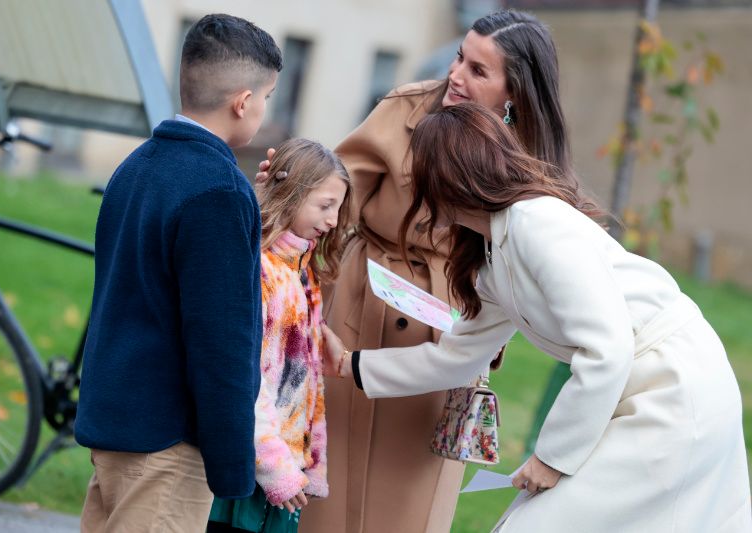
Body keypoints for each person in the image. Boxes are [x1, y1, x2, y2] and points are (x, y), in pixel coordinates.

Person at [326, 103, 752, 532]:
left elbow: (607, 348)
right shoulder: (491, 253)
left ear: (446, 177)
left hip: (674, 389)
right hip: (632, 391)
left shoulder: (536, 223)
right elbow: (457, 359)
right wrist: (350, 364)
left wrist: (551, 458)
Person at [256, 10, 577, 533]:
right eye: (459, 58)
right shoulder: (407, 107)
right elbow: (332, 192)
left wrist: (496, 334)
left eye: (478, 70)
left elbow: (525, 261)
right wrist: (288, 188)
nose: (456, 75)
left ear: (514, 91)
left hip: (451, 326)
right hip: (363, 308)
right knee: (330, 492)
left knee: (408, 504)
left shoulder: (533, 156)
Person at [74, 14, 282, 532]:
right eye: (267, 97)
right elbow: (221, 341)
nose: (263, 108)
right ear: (243, 102)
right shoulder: (219, 190)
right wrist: (235, 465)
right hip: (167, 444)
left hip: (115, 423)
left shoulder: (137, 166)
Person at [207, 139, 352, 533]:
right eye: (325, 206)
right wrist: (274, 467)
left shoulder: (302, 275)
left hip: (281, 467)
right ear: (290, 195)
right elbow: (246, 380)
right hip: (252, 468)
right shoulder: (262, 274)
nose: (334, 220)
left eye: (338, 208)